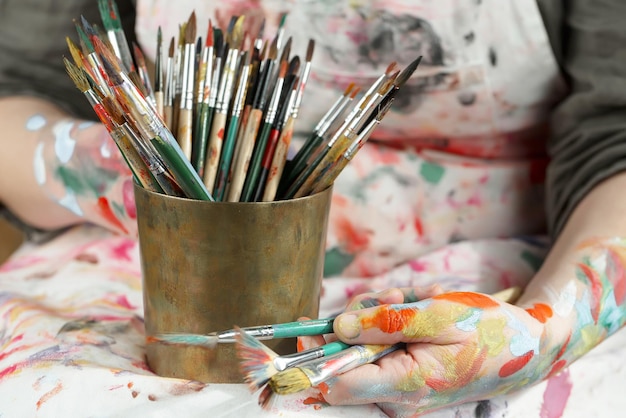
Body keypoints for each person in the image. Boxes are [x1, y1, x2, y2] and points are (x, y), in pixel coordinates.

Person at [1, 0, 626, 417]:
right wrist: (78, 161)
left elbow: (614, 137)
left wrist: (546, 331)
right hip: (136, 246)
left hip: (516, 268)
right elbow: (15, 85)